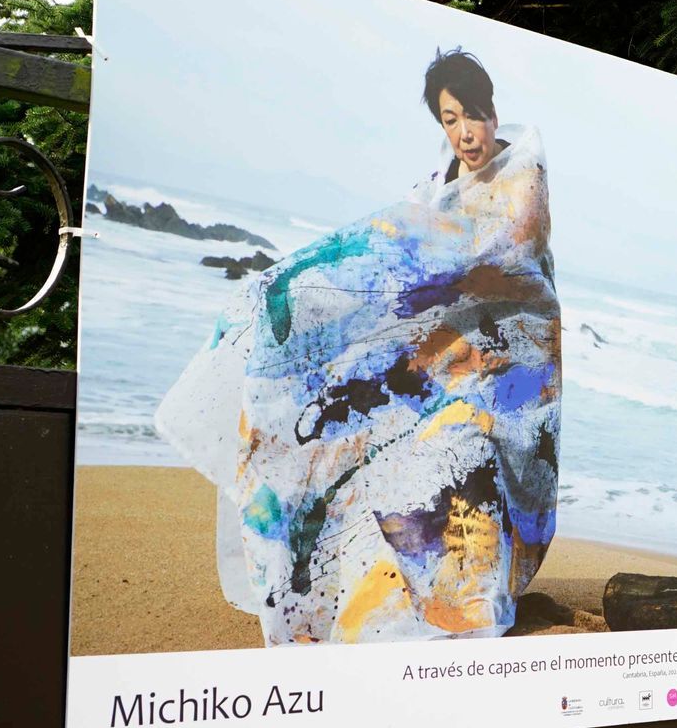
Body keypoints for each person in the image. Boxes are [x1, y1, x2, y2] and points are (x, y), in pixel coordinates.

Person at [157, 50, 561, 644]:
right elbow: (393, 247)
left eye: (472, 115)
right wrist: (304, 288)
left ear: (493, 112)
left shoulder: (524, 177)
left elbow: (498, 258)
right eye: (450, 120)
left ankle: (468, 596)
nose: (465, 133)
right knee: (360, 432)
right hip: (446, 360)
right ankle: (377, 591)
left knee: (456, 441)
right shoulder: (436, 188)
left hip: (510, 369)